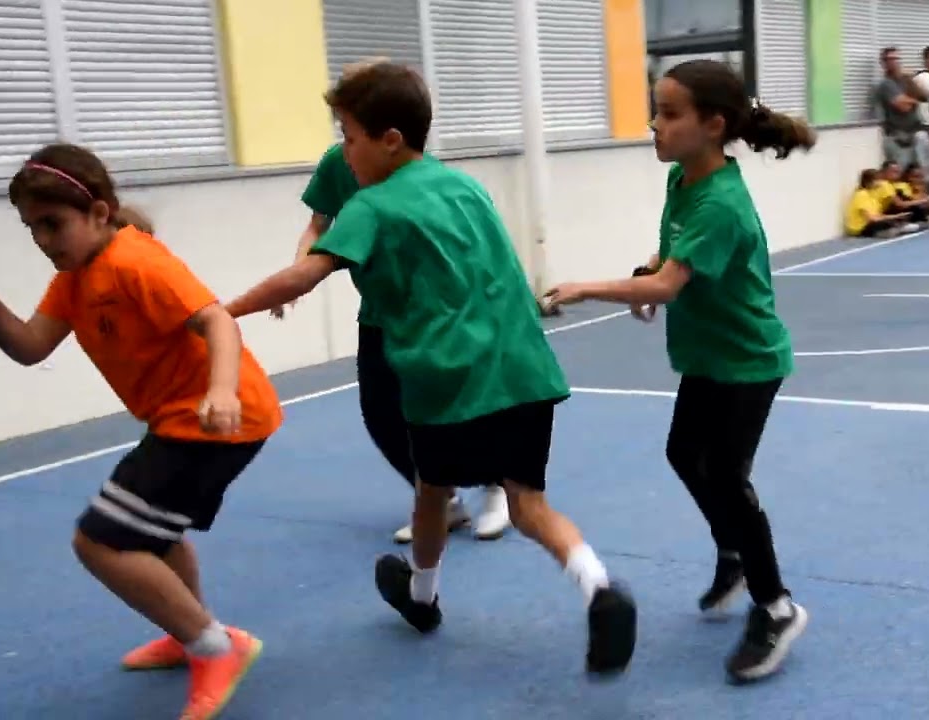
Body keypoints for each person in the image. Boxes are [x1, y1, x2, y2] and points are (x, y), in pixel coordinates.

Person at [222, 60, 638, 675]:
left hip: (450, 379)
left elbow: (304, 275)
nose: (344, 148)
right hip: (523, 368)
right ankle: (598, 586)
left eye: (349, 134)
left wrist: (224, 310)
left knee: (430, 492)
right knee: (530, 505)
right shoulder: (464, 186)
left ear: (389, 140)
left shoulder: (371, 206)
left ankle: (421, 599)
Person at [0, 143, 283, 720]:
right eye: (31, 228)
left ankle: (216, 646)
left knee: (100, 541)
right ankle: (186, 629)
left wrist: (220, 391)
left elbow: (217, 320)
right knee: (155, 533)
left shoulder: (136, 261)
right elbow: (30, 347)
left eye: (53, 223)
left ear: (98, 212)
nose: (43, 239)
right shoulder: (73, 280)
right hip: (181, 420)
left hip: (219, 418)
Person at [542, 58, 810, 684]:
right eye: (655, 110)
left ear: (713, 124)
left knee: (724, 473)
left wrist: (588, 287)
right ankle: (733, 550)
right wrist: (644, 275)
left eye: (668, 113)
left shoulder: (720, 201)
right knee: (683, 453)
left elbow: (670, 283)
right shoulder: (687, 181)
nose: (653, 125)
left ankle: (777, 607)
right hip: (708, 355)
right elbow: (668, 260)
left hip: (746, 360)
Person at [279, 70, 510, 544]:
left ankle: (497, 482)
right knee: (382, 414)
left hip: (434, 311)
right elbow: (318, 226)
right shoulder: (340, 161)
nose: (346, 141)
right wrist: (298, 273)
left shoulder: (416, 170)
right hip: (381, 312)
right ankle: (442, 502)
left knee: (455, 404)